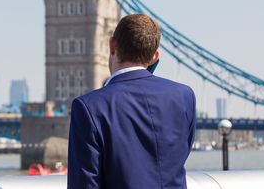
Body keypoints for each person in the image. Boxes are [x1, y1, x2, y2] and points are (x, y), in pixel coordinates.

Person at [67, 13, 196, 189]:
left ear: (113, 45)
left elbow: (84, 184)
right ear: (155, 57)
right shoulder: (184, 96)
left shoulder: (88, 107)